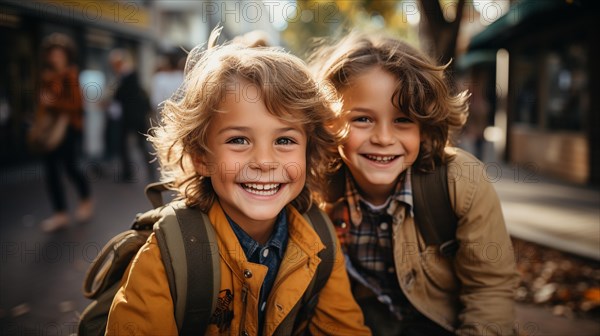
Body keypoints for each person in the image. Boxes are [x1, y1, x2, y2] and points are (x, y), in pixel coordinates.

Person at [106, 36, 371, 335]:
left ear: (309, 154)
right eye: (238, 140)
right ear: (201, 157)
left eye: (284, 140)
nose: (264, 161)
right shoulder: (168, 255)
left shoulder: (319, 238)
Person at [310, 33, 519, 335]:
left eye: (403, 120)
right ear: (330, 122)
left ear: (425, 126)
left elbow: (490, 288)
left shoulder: (461, 181)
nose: (383, 138)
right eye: (362, 120)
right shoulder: (316, 191)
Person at [36, 33, 92, 232]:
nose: (56, 58)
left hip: (68, 128)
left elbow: (77, 105)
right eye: (53, 54)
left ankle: (85, 201)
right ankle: (60, 213)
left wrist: (54, 103)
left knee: (70, 167)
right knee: (51, 171)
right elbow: (42, 104)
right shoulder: (47, 77)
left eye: (59, 54)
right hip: (51, 130)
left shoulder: (71, 75)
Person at [108, 48, 155, 182]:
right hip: (128, 117)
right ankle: (128, 173)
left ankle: (149, 172)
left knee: (140, 144)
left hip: (135, 117)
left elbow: (123, 95)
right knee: (125, 145)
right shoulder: (123, 76)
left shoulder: (129, 75)